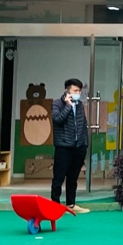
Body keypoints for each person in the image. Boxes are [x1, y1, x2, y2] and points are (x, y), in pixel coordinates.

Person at [50, 78, 92, 214]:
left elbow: (83, 125)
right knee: (59, 178)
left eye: (79, 91)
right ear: (67, 91)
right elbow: (58, 120)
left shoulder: (79, 105)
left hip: (79, 147)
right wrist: (68, 106)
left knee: (73, 178)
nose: (78, 93)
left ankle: (71, 205)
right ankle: (55, 206)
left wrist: (84, 144)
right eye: (75, 90)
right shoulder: (57, 104)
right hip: (63, 147)